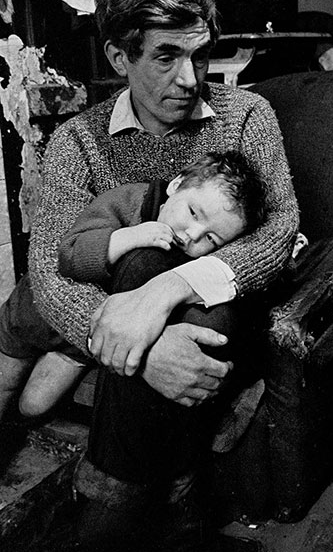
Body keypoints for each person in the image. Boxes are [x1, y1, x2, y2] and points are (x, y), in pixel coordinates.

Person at [2, 0, 299, 552]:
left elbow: (278, 233)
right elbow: (52, 267)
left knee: (165, 278)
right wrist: (140, 348)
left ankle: (108, 531)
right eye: (166, 57)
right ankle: (158, 519)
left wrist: (169, 290)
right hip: (127, 326)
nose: (189, 79)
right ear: (119, 55)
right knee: (121, 268)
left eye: (199, 55)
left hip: (208, 314)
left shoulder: (247, 117)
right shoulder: (78, 141)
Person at [0, 150, 266, 419]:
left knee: (32, 406)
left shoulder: (185, 258)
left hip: (79, 342)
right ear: (176, 185)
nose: (192, 236)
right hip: (30, 315)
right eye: (193, 212)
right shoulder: (128, 201)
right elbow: (69, 256)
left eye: (211, 239)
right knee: (4, 385)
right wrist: (130, 237)